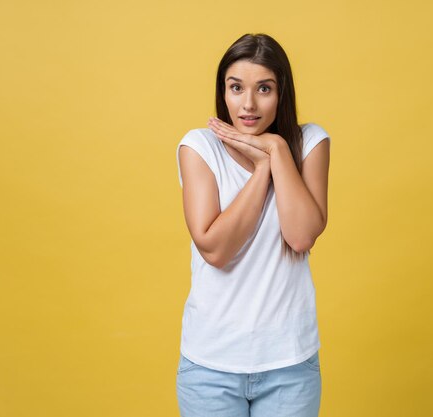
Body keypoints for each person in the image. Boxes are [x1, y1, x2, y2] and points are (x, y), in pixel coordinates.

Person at [175, 33, 331, 417]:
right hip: (210, 365)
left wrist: (277, 149)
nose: (248, 104)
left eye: (264, 88)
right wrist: (263, 169)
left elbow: (301, 236)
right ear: (223, 92)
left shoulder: (309, 142)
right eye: (236, 88)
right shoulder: (199, 148)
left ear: (282, 93)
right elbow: (215, 249)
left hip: (289, 363)